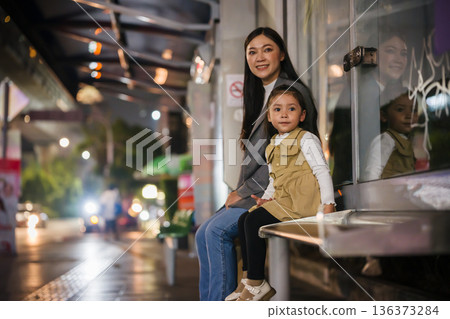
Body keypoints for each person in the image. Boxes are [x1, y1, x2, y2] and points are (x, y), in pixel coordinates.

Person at [195, 27, 317, 301]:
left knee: (215, 232)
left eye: (267, 49)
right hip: (257, 190)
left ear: (282, 54)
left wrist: (243, 191)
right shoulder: (262, 94)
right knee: (203, 233)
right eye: (252, 52)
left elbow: (288, 154)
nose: (259, 57)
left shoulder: (290, 93)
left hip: (282, 192)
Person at [225, 85, 335, 301]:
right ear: (269, 116)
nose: (284, 114)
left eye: (291, 109)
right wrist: (266, 197)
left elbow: (322, 171)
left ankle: (258, 283)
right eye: (277, 109)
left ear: (302, 115)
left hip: (301, 201)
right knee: (244, 219)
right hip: (284, 199)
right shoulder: (273, 144)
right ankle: (248, 280)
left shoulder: (306, 139)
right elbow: (275, 179)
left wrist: (328, 204)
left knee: (253, 221)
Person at [329, 30, 408, 185]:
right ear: (373, 56)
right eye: (390, 51)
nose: (399, 59)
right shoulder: (368, 92)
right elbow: (366, 150)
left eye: (403, 54)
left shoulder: (378, 91)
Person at [363, 92, 418, 180]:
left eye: (413, 110)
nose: (409, 115)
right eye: (400, 109)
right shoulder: (386, 140)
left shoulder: (406, 140)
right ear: (384, 116)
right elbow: (371, 175)